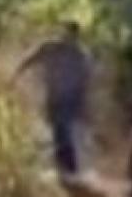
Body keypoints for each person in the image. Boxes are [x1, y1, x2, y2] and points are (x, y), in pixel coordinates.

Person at [14, 22, 93, 178]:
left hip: (70, 98)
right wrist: (17, 74)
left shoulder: (80, 54)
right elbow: (31, 59)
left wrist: (84, 99)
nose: (69, 37)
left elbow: (86, 78)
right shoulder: (51, 47)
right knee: (58, 130)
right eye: (67, 33)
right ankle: (66, 168)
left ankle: (68, 168)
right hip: (54, 95)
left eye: (72, 35)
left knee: (63, 130)